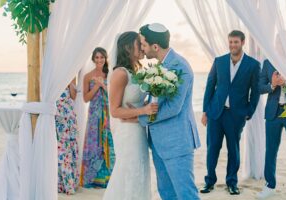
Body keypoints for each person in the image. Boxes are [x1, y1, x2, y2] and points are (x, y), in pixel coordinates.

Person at [138, 23, 201, 200]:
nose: (142, 49)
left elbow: (173, 107)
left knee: (186, 194)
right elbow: (155, 100)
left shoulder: (180, 67)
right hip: (159, 143)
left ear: (155, 46)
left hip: (177, 142)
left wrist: (142, 117)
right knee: (166, 194)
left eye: (143, 44)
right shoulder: (159, 66)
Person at [201, 30, 260, 195]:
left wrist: (249, 111)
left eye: (236, 42)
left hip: (236, 115)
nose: (233, 45)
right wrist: (205, 111)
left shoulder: (253, 65)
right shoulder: (219, 61)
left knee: (233, 150)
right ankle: (209, 181)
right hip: (215, 113)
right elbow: (210, 86)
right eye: (230, 42)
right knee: (212, 148)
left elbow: (254, 92)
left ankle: (232, 183)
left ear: (242, 42)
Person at [103, 31, 158, 200]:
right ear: (127, 47)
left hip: (137, 128)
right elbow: (114, 110)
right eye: (138, 44)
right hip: (127, 132)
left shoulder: (137, 71)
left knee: (140, 170)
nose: (142, 47)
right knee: (128, 171)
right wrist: (143, 110)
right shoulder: (120, 73)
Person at [257, 34, 286, 199]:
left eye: (285, 41)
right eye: (278, 41)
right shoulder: (267, 62)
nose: (281, 44)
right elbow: (259, 87)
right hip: (273, 113)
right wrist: (272, 85)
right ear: (275, 43)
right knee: (270, 150)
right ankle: (269, 186)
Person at [80, 47, 115, 188]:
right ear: (93, 59)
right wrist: (96, 86)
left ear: (106, 58)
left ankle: (108, 179)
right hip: (94, 115)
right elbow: (85, 98)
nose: (99, 60)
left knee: (108, 142)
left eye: (102, 57)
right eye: (97, 57)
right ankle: (92, 179)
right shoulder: (87, 76)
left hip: (108, 114)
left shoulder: (111, 74)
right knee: (94, 144)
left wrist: (103, 84)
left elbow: (114, 94)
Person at [55, 78, 79, 194]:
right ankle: (59, 184)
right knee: (59, 149)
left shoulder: (71, 74)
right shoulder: (52, 72)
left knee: (69, 148)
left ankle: (69, 183)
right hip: (56, 115)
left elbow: (74, 97)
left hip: (69, 116)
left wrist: (70, 82)